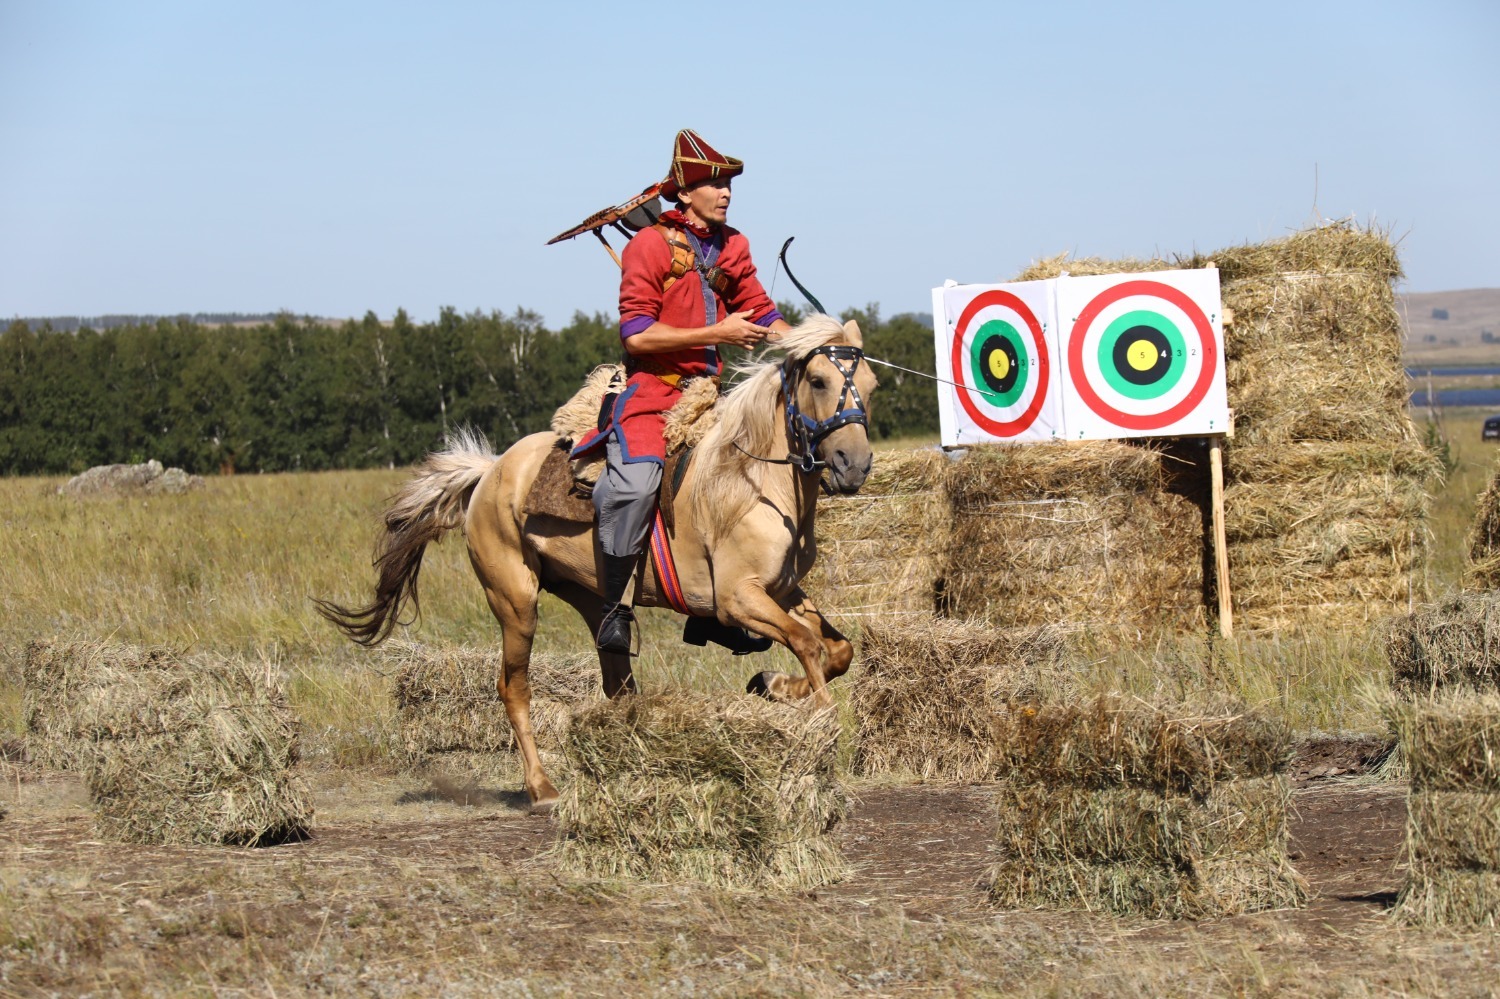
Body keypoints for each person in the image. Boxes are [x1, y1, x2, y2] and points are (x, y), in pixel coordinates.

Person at [570, 129, 792, 654]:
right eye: (715, 184)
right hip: (653, 391)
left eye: (729, 185)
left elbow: (763, 312)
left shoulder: (734, 245)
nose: (726, 193)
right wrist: (719, 332)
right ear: (685, 192)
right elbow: (636, 335)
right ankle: (614, 609)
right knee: (634, 486)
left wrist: (808, 343)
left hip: (710, 396)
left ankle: (715, 608)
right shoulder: (648, 245)